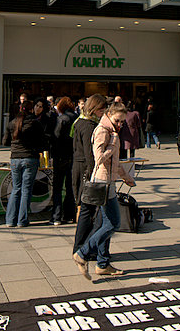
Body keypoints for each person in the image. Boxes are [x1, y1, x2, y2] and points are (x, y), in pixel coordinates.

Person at [73, 102, 135, 279]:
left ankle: (102, 263)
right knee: (113, 223)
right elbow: (99, 157)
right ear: (109, 115)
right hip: (102, 182)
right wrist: (112, 144)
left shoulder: (112, 131)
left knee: (106, 224)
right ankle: (83, 253)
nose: (120, 124)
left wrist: (125, 176)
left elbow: (114, 162)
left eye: (123, 121)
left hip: (109, 181)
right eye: (118, 120)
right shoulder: (102, 130)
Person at [72, 94, 106, 253]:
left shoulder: (79, 122)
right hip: (86, 169)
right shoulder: (88, 126)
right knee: (87, 211)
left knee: (86, 210)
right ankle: (82, 248)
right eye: (101, 109)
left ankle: (83, 247)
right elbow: (89, 154)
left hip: (80, 166)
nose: (103, 112)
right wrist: (93, 174)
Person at [3, 100, 45, 227]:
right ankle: (22, 219)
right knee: (26, 189)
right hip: (30, 157)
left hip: (15, 157)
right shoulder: (35, 123)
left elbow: (5, 141)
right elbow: (42, 141)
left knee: (16, 188)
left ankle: (10, 219)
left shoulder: (12, 123)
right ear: (31, 110)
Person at [50, 96, 77, 225]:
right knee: (70, 187)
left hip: (61, 156)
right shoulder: (76, 118)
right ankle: (69, 214)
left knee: (57, 187)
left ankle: (56, 216)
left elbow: (56, 137)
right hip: (73, 155)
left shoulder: (61, 119)